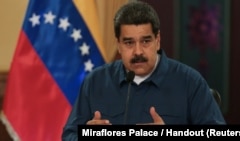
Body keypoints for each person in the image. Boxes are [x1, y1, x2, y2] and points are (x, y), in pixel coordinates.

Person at [62, 1, 226, 139]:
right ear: (118, 45)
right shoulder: (95, 81)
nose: (138, 51)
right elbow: (69, 135)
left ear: (158, 40)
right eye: (129, 43)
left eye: (145, 41)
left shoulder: (190, 82)